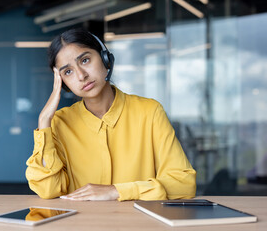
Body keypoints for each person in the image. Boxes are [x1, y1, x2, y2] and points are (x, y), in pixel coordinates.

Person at [25, 28, 196, 201]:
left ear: (105, 59)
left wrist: (117, 191)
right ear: (62, 82)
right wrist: (44, 121)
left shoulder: (149, 112)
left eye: (85, 60)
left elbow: (184, 184)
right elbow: (49, 190)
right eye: (68, 71)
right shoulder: (59, 123)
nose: (81, 75)